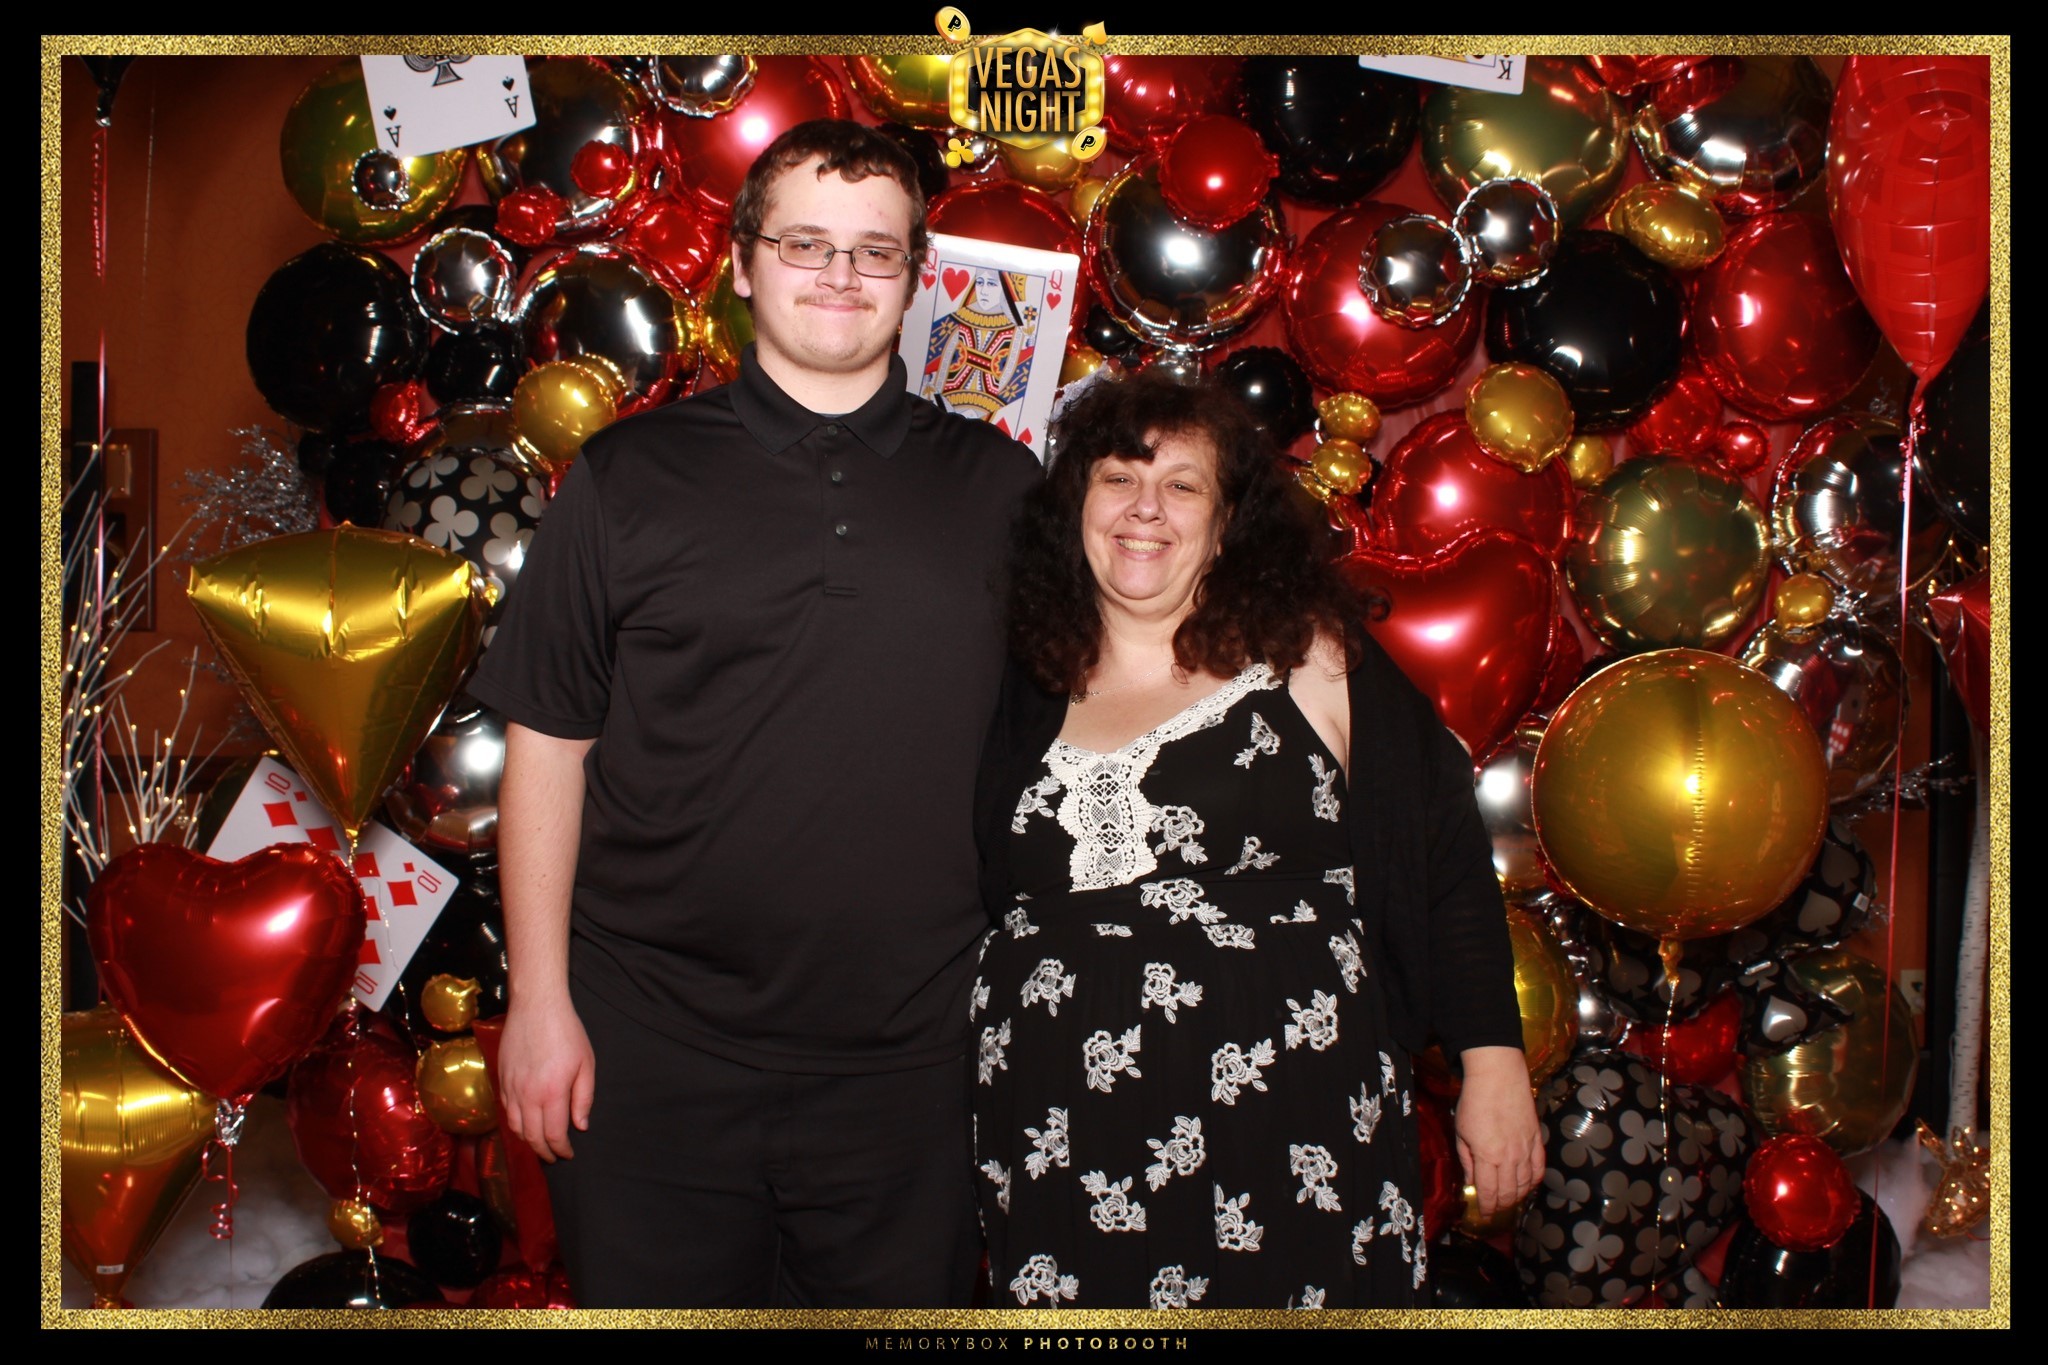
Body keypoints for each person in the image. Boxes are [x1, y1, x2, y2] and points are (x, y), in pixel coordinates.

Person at [465, 119, 1042, 1308]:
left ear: (914, 278)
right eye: (804, 244)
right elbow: (548, 748)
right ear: (740, 265)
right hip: (644, 1049)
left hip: (913, 1066)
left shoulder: (1002, 488)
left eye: (874, 251)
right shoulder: (624, 477)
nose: (839, 274)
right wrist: (539, 1004)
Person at [968, 373, 1542, 1308]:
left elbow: (1442, 850)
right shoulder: (1017, 681)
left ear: (1227, 523)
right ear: (1076, 505)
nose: (1145, 507)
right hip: (1062, 1135)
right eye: (1119, 478)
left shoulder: (1308, 656)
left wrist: (1492, 1061)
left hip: (1293, 1124)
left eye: (1182, 485)